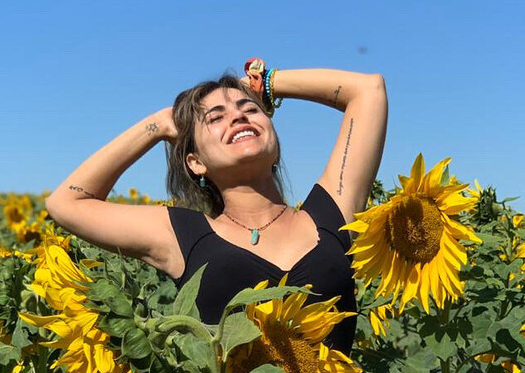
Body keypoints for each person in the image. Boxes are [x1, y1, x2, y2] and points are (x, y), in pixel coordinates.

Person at [45, 63, 388, 354]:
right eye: (216, 118)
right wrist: (160, 124)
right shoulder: (184, 237)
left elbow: (368, 90)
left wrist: (266, 83)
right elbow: (66, 202)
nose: (238, 116)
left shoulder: (331, 214)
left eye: (249, 109)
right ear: (195, 162)